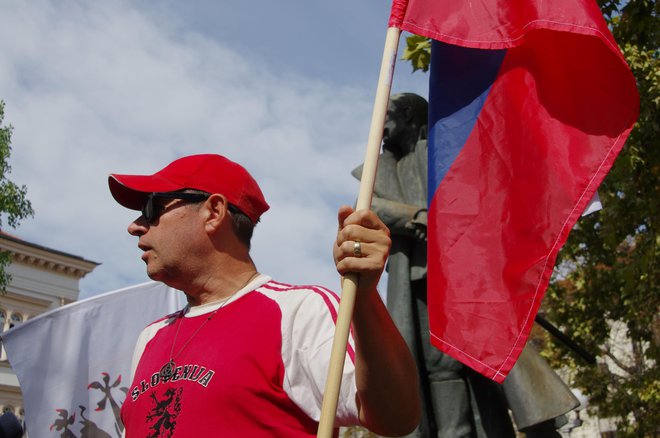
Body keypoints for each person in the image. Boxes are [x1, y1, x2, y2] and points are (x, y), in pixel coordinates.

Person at [108, 153, 420, 437]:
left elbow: (395, 417)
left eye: (151, 209)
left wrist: (365, 300)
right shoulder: (150, 337)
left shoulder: (299, 311)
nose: (135, 227)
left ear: (213, 212)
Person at [352, 94, 578, 438]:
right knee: (437, 367)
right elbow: (369, 208)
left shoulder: (447, 154)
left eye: (387, 118)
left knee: (495, 359)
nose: (380, 130)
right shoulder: (378, 169)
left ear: (409, 116)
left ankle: (541, 427)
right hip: (418, 284)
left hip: (465, 280)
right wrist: (418, 217)